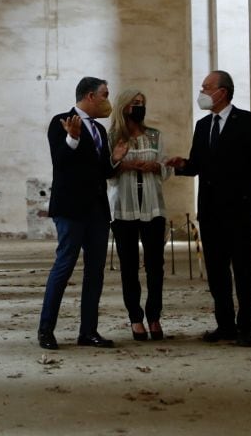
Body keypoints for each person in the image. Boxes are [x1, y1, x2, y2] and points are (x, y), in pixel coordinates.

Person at [165, 70, 251, 347]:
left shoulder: (248, 122)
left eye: (206, 87)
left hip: (239, 209)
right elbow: (199, 164)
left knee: (243, 270)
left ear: (222, 92)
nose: (202, 91)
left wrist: (245, 195)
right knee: (216, 271)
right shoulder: (203, 126)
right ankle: (225, 325)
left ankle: (245, 327)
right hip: (210, 210)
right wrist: (183, 165)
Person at [38, 77, 128, 350]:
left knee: (95, 272)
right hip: (70, 209)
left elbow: (104, 173)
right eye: (105, 94)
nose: (107, 99)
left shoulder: (100, 131)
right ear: (90, 96)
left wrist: (116, 159)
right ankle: (46, 330)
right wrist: (72, 139)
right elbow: (61, 162)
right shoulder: (60, 121)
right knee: (64, 267)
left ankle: (88, 331)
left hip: (97, 211)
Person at [107, 89, 172, 342]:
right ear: (124, 107)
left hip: (153, 207)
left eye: (142, 103)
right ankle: (135, 318)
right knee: (129, 267)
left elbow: (166, 167)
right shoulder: (112, 137)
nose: (139, 107)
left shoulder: (155, 136)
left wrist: (156, 166)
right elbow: (106, 172)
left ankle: (154, 316)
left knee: (156, 266)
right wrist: (118, 161)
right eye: (135, 103)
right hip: (124, 208)